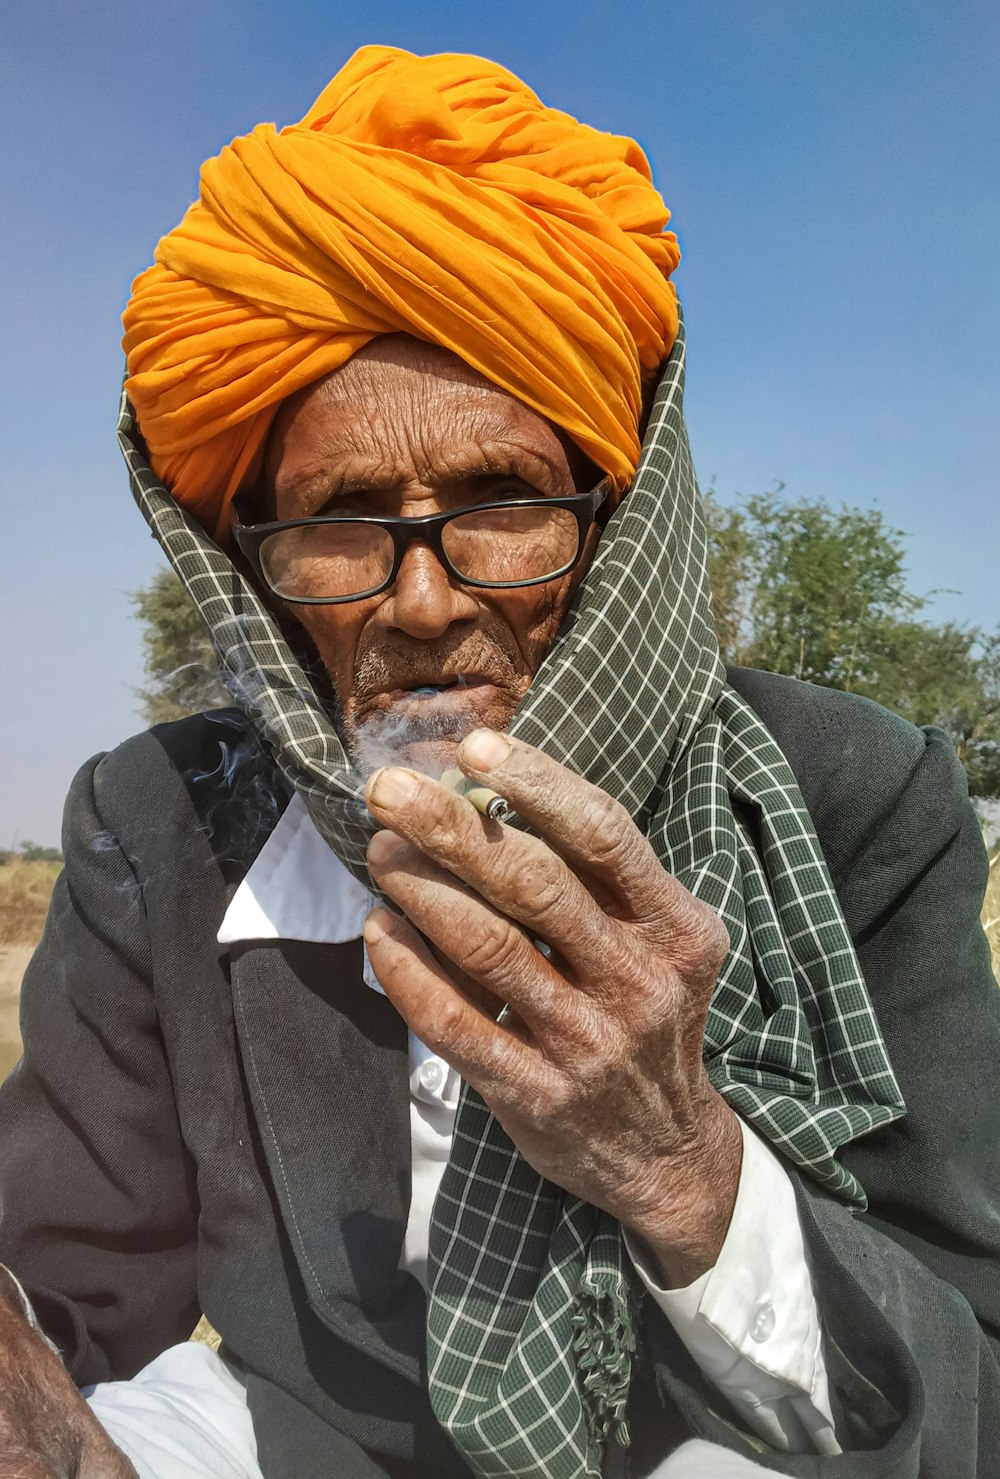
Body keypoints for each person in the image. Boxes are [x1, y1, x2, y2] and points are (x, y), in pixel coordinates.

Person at [0, 45, 998, 1479]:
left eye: (507, 503)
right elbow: (72, 1283)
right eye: (342, 523)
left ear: (618, 526)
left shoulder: (858, 797)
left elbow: (968, 1367)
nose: (420, 602)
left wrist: (676, 1160)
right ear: (258, 573)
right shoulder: (159, 823)